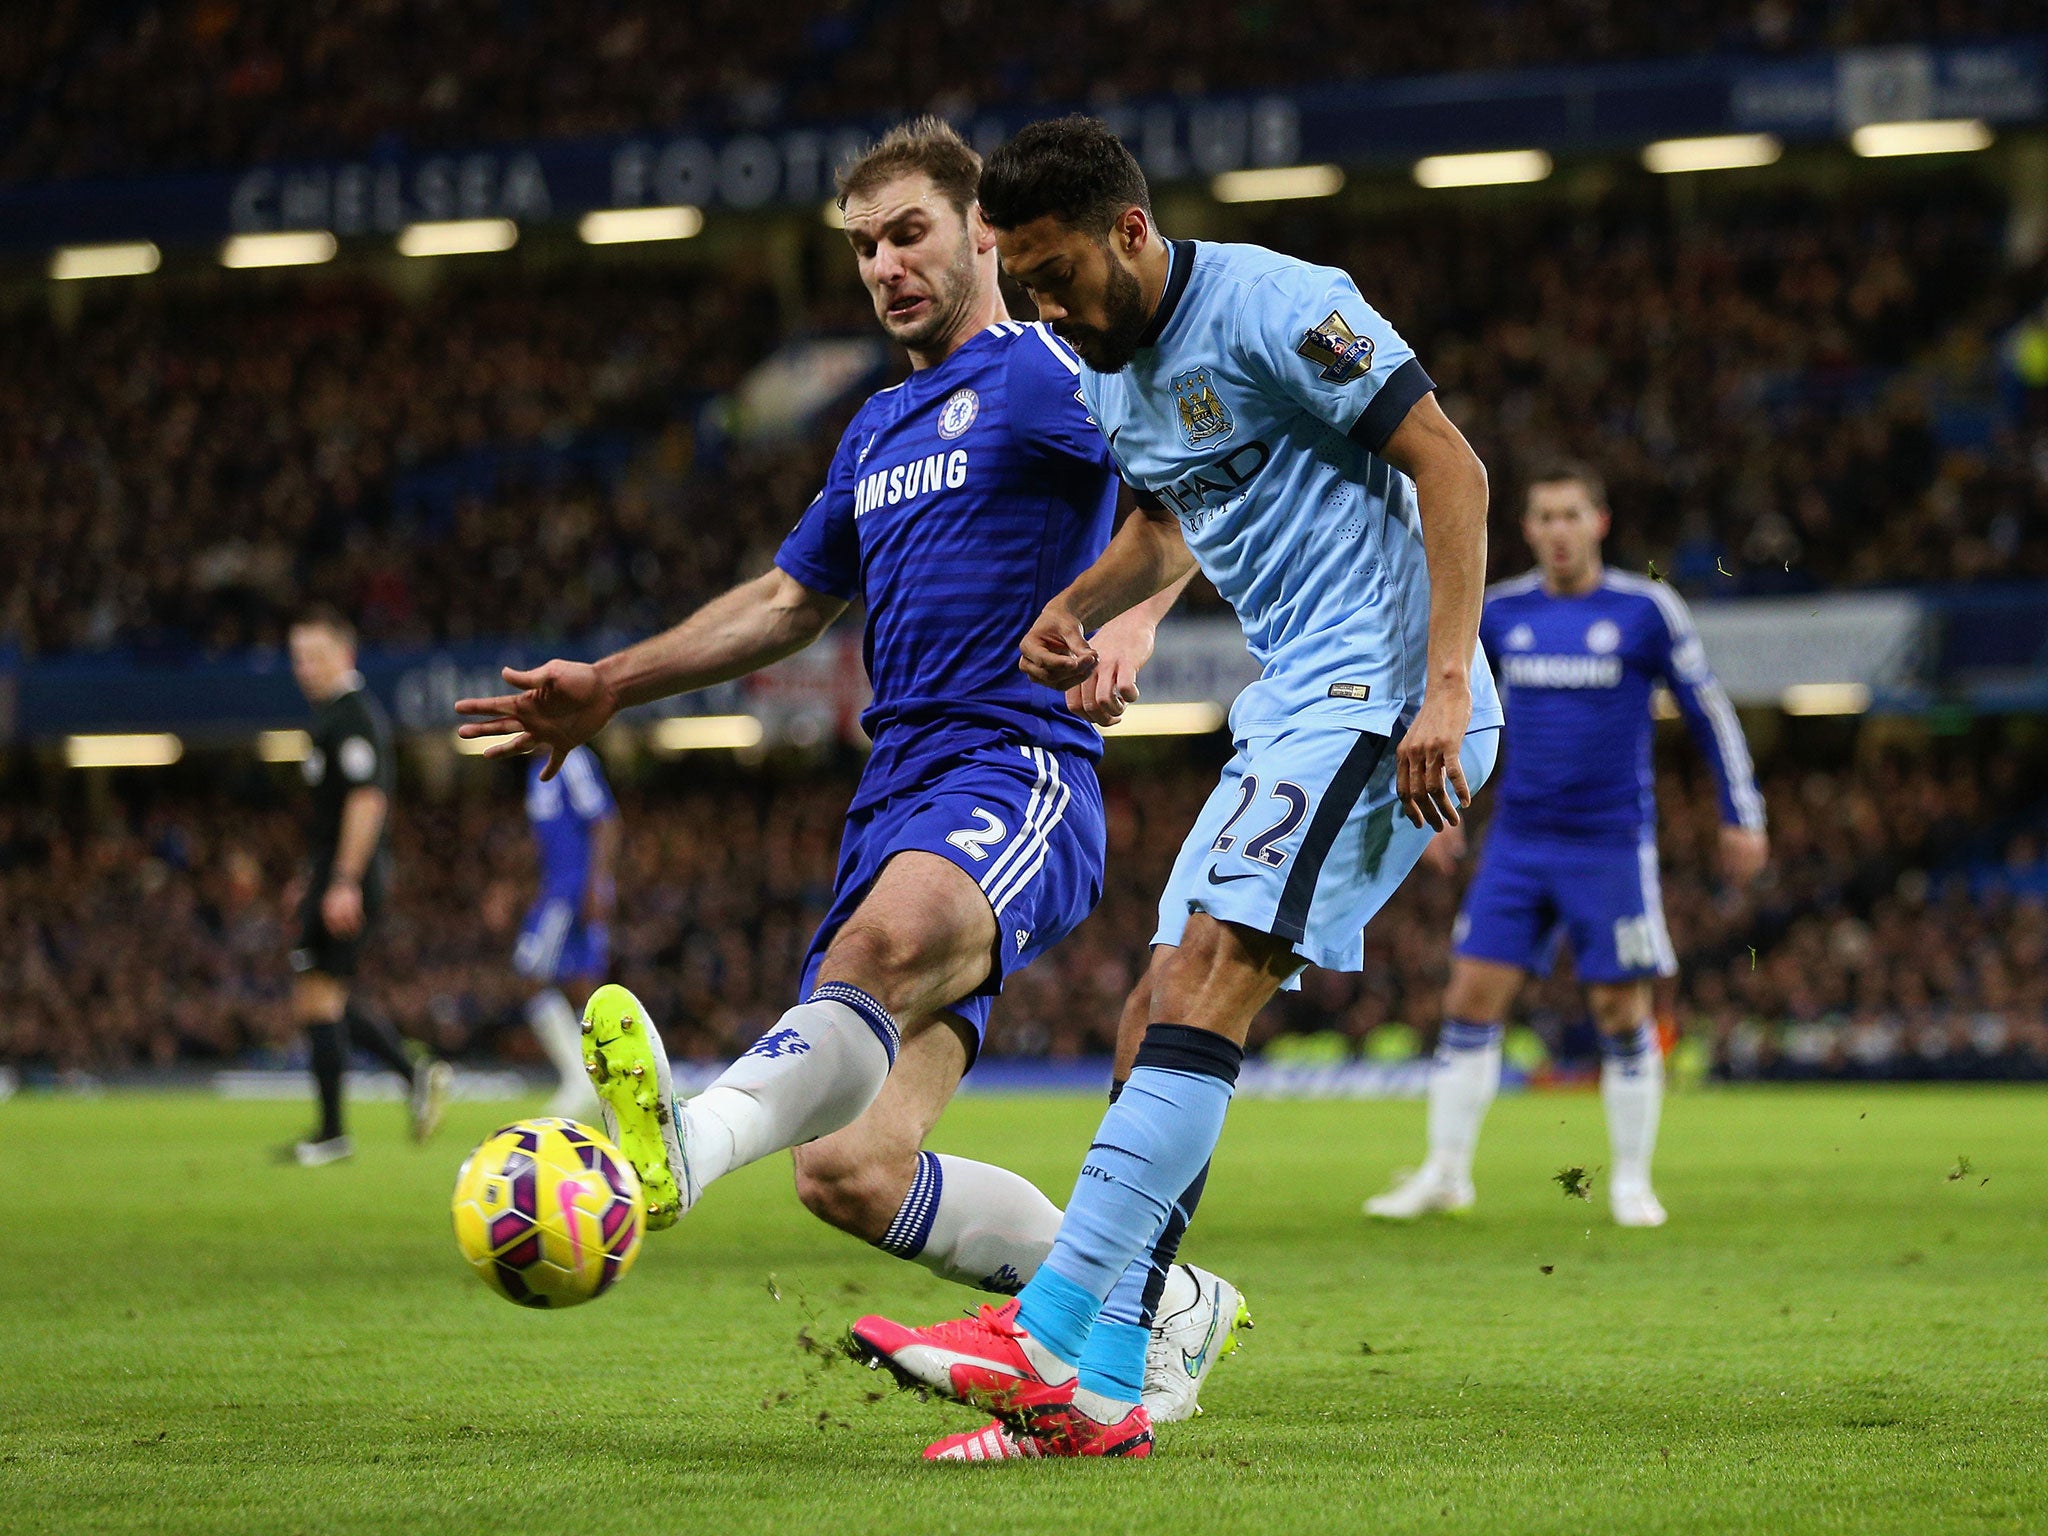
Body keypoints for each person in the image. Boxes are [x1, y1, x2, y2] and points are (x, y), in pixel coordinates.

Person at [455, 118, 1244, 1425]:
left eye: (910, 233)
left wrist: (1131, 623)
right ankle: (1163, 1310)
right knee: (849, 1172)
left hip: (1018, 767)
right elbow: (782, 603)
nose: (884, 265)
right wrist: (610, 684)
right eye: (865, 246)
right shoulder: (875, 428)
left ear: (980, 233)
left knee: (886, 947)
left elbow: (1190, 499)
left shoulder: (1057, 371)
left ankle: (682, 1154)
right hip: (895, 799)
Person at [848, 115, 1503, 1461]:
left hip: (1377, 694)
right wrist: (1080, 604)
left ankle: (1049, 1330)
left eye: (1059, 276)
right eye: (1021, 286)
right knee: (1159, 1002)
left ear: (1131, 234)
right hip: (1288, 710)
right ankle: (1099, 1390)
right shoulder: (1102, 370)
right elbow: (1164, 520)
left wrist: (1443, 686)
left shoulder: (1281, 308)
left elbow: (1452, 464)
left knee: (1209, 975)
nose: (1045, 308)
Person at [1367, 462, 1768, 1227]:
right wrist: (1438, 806)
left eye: (1571, 516)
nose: (1558, 531)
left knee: (1623, 1009)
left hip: (1611, 845)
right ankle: (1446, 1174)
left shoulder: (1647, 609)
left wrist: (1740, 811)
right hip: (1517, 841)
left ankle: (1631, 1182)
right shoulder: (1502, 610)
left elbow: (1709, 711)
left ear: (1600, 523)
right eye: (1544, 517)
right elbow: (1446, 703)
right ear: (1525, 529)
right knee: (1469, 999)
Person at [283, 606, 451, 1165]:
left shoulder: (352, 716)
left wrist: (343, 881)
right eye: (298, 658)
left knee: (320, 995)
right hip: (332, 875)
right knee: (321, 998)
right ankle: (410, 1076)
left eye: (315, 656)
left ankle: (336, 1131)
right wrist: (313, 878)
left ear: (345, 656)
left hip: (349, 877)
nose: (304, 668)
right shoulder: (334, 716)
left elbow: (366, 799)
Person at [515, 745, 618, 1120]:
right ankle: (593, 1081)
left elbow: (604, 820)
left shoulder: (572, 760)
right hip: (555, 888)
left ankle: (579, 1080)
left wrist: (598, 883)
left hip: (572, 890)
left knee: (532, 976)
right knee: (578, 986)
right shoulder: (535, 770)